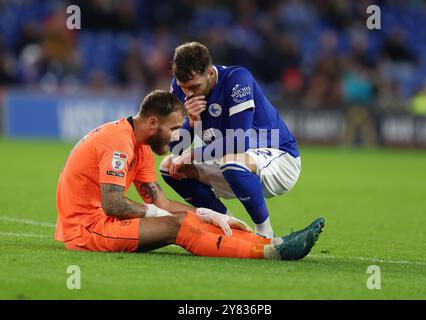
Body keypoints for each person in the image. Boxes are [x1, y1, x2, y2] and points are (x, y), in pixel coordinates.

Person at [55, 89, 324, 260]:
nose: (176, 138)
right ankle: (266, 252)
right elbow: (112, 204)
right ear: (152, 123)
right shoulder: (117, 142)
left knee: (191, 219)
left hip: (102, 222)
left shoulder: (142, 146)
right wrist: (171, 216)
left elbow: (161, 202)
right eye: (173, 129)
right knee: (178, 225)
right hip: (86, 230)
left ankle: (272, 242)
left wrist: (211, 215)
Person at [162, 42, 304, 238]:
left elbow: (239, 143)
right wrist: (193, 123)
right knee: (169, 167)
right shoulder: (180, 89)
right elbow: (174, 147)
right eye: (183, 88)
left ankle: (265, 233)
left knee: (232, 161)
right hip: (232, 163)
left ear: (210, 73)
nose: (189, 93)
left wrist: (192, 153)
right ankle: (230, 227)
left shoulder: (237, 80)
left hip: (279, 159)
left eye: (194, 86)